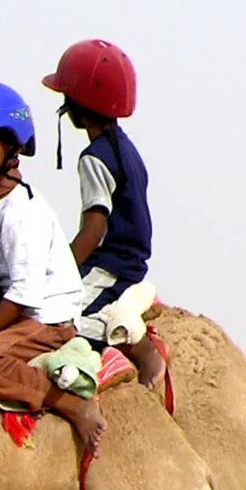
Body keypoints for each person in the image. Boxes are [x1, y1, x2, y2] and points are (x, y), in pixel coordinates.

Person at [0, 80, 106, 455]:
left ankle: (70, 404)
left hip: (45, 319)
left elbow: (23, 295)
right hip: (22, 312)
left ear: (12, 145)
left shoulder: (19, 213)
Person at [43, 38, 167, 386]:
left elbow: (94, 229)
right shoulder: (128, 149)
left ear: (76, 103)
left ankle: (138, 350)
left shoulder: (94, 158)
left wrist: (59, 272)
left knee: (54, 320)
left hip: (111, 264)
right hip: (130, 259)